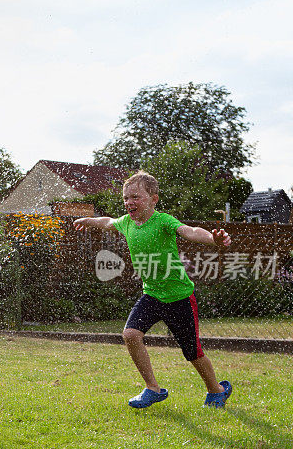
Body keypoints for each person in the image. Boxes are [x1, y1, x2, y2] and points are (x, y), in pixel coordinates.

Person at [73, 171, 233, 409]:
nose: (129, 202)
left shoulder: (163, 221)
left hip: (179, 297)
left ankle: (216, 390)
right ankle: (153, 388)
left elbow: (190, 231)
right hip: (152, 294)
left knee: (192, 352)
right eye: (126, 198)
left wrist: (213, 239)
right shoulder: (126, 223)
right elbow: (107, 222)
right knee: (130, 335)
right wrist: (89, 221)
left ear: (153, 199)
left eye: (136, 197)